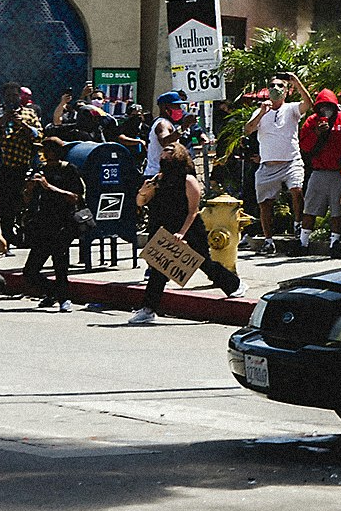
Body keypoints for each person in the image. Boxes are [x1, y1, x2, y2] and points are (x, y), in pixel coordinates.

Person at [129, 142, 241, 324]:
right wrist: (143, 192)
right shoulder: (158, 179)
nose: (164, 153)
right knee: (158, 270)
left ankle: (234, 285)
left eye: (169, 151)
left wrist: (182, 233)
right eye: (164, 150)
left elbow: (193, 210)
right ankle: (148, 309)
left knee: (203, 262)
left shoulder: (188, 179)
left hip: (189, 228)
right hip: (163, 228)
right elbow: (141, 203)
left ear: (179, 155)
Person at [245, 73, 311, 254]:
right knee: (265, 204)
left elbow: (308, 103)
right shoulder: (260, 111)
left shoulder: (291, 109)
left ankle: (298, 223)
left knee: (296, 190)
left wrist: (295, 80)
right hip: (268, 165)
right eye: (272, 85)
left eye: (280, 86)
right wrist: (261, 113)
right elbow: (248, 129)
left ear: (286, 91)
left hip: (291, 162)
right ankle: (268, 241)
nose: (276, 89)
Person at [21, 137, 86, 312]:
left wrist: (49, 186)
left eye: (47, 150)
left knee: (60, 265)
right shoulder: (40, 169)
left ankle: (64, 299)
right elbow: (28, 200)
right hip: (42, 225)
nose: (43, 154)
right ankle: (50, 293)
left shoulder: (68, 170)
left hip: (62, 224)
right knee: (30, 271)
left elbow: (75, 197)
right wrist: (29, 189)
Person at [298, 89, 341, 253]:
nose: (325, 109)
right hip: (318, 171)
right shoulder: (312, 121)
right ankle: (303, 242)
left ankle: (335, 243)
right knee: (310, 208)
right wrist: (317, 134)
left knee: (337, 210)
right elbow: (304, 146)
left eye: (329, 105)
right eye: (322, 106)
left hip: (339, 172)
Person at [0, 98, 40, 247]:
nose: (12, 99)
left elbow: (38, 135)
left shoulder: (29, 114)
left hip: (19, 166)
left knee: (12, 205)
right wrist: (3, 119)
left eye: (14, 95)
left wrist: (22, 123)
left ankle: (8, 237)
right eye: (8, 95)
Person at [145, 91, 187, 179]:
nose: (179, 109)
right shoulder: (162, 124)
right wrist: (183, 127)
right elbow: (165, 142)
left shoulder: (168, 123)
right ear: (165, 107)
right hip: (157, 175)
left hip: (164, 174)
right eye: (176, 106)